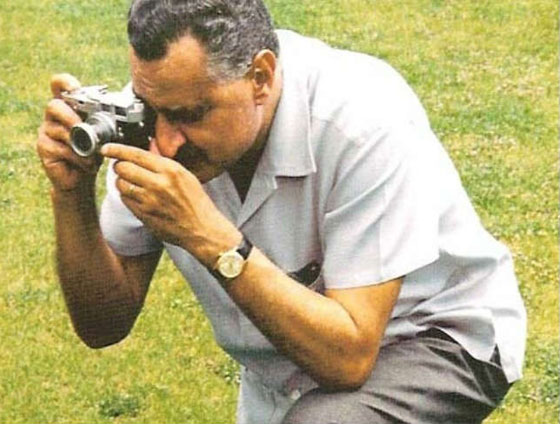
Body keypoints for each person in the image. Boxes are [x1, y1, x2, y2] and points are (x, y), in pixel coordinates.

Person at [36, 0, 526, 423]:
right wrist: (71, 196)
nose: (165, 141)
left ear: (261, 77)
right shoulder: (161, 109)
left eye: (191, 115)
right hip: (296, 361)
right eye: (149, 107)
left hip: (436, 333)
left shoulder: (362, 119)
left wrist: (211, 238)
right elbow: (103, 326)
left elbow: (349, 358)